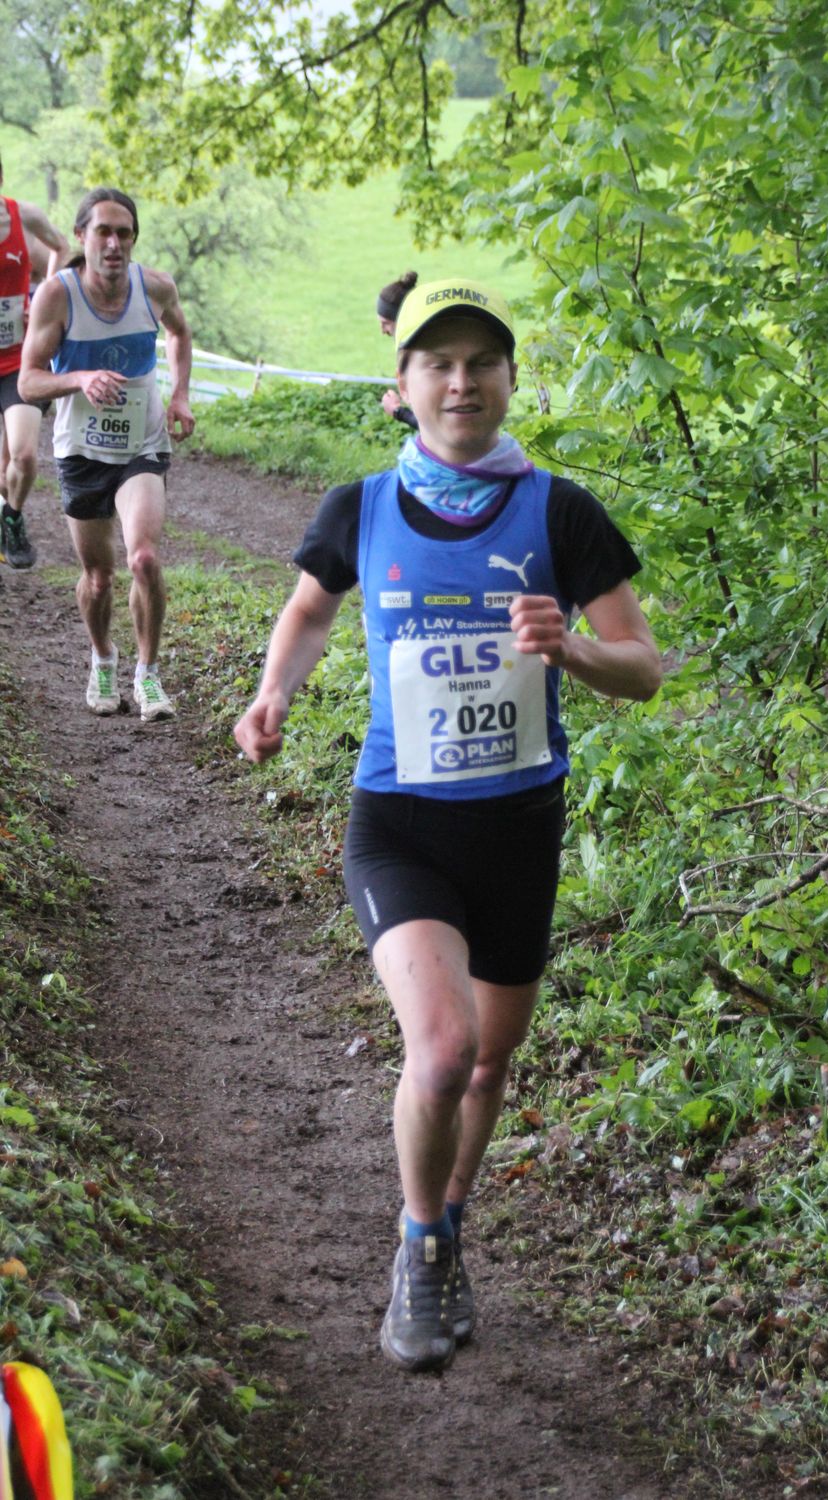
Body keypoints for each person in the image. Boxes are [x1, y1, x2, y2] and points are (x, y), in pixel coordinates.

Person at [235, 276, 662, 1375]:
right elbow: (309, 608)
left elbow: (645, 667)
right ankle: (420, 1244)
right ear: (404, 384)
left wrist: (571, 647)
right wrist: (274, 693)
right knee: (442, 1049)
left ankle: (452, 1217)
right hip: (401, 825)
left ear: (510, 381)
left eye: (481, 363)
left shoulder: (561, 513)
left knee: (488, 1064)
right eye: (439, 363)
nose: (461, 382)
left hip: (519, 829)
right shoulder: (361, 507)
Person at [18, 186, 194, 721]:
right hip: (82, 450)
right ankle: (102, 658)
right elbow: (28, 382)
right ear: (81, 236)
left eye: (124, 233)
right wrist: (80, 378)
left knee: (145, 559)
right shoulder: (58, 296)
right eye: (103, 232)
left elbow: (179, 333)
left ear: (134, 238)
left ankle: (148, 674)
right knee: (98, 577)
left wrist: (180, 394)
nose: (114, 243)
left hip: (142, 444)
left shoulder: (155, 287)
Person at [0, 155, 69, 570]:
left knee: (23, 458)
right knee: (2, 468)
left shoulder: (23, 217)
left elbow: (61, 248)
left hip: (18, 364)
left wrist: (41, 299)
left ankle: (12, 517)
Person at [375, 270, 418, 430]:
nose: (382, 331)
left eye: (385, 323)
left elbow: (436, 428)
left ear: (402, 321)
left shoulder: (422, 357)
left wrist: (398, 411)